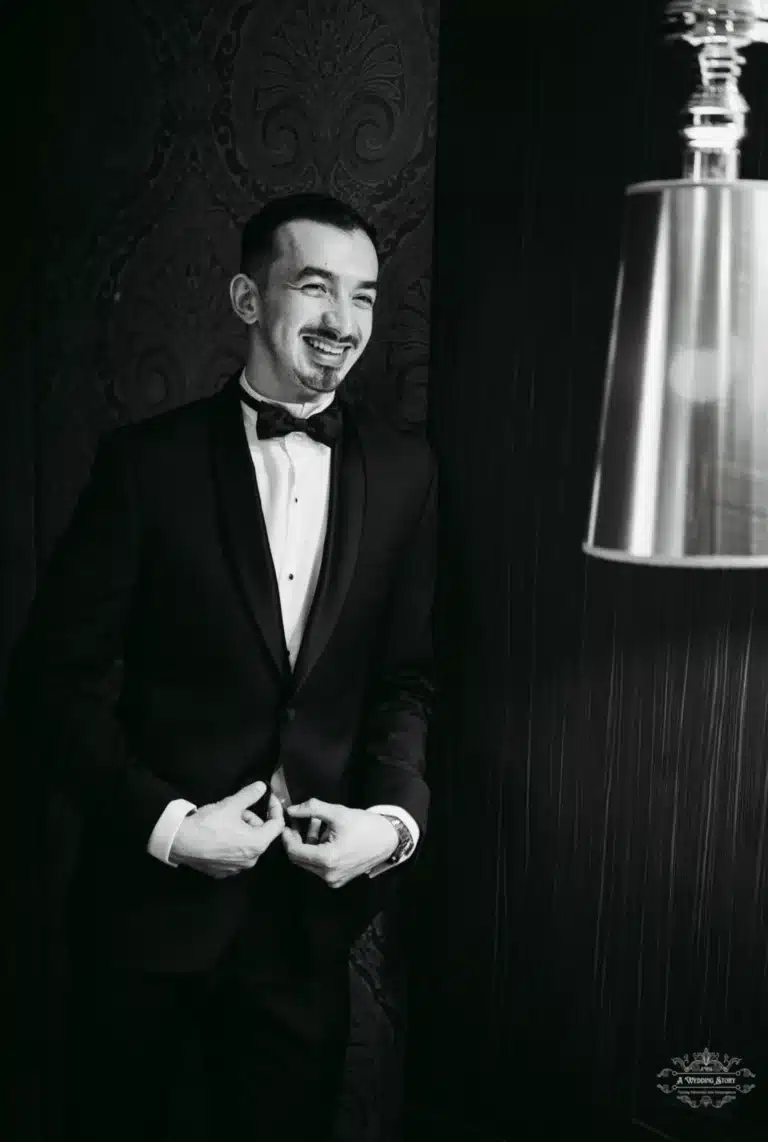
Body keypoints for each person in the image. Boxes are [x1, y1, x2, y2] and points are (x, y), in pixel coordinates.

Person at [7, 193, 437, 1141]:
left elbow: (405, 680)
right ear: (248, 297)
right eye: (315, 287)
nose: (344, 322)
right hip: (141, 923)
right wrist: (164, 825)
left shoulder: (409, 474)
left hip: (302, 936)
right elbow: (50, 683)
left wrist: (393, 823)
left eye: (364, 296)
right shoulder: (142, 467)